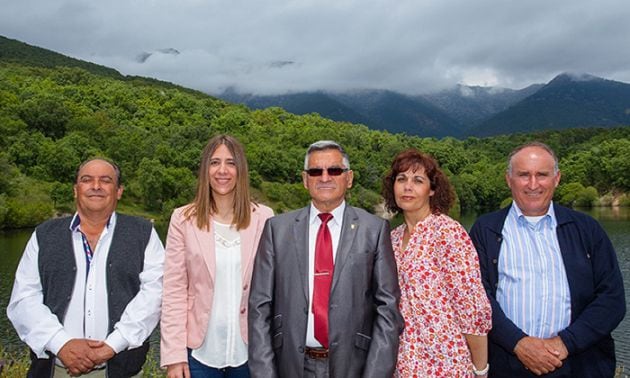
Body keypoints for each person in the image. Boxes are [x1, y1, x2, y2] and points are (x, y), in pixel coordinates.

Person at [248, 140, 404, 378]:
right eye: (315, 171)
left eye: (334, 170)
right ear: (304, 179)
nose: (324, 177)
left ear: (348, 178)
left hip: (353, 367)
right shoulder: (276, 230)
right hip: (289, 366)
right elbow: (259, 308)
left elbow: (388, 310)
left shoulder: (374, 230)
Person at [469, 142, 626, 377]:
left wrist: (563, 344)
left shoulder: (586, 229)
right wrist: (519, 343)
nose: (533, 184)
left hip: (579, 366)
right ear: (508, 179)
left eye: (542, 175)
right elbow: (476, 298)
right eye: (523, 175)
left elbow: (612, 299)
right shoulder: (486, 230)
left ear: (557, 178)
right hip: (508, 367)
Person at [7, 158, 165, 377]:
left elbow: (155, 294)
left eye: (106, 180)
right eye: (87, 180)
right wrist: (61, 344)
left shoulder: (143, 234)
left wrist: (113, 345)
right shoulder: (44, 235)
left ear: (119, 191)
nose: (96, 186)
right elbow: (24, 298)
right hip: (55, 369)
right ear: (75, 189)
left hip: (122, 369)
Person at [160, 135, 273, 378]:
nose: (222, 170)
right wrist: (173, 357)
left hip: (251, 352)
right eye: (214, 163)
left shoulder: (264, 218)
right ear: (205, 170)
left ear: (241, 170)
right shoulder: (183, 219)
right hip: (198, 355)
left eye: (231, 163)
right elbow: (174, 291)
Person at [382, 149, 492, 377]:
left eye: (418, 180)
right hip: (403, 364)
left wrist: (480, 370)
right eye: (401, 179)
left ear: (432, 189)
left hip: (446, 363)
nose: (407, 186)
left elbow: (471, 308)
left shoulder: (448, 233)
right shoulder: (391, 239)